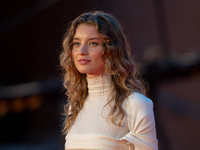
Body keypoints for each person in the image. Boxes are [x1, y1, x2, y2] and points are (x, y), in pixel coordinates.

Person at [60, 11, 158, 150]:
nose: (81, 50)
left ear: (112, 50)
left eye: (92, 43)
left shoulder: (135, 105)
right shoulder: (75, 107)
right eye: (76, 43)